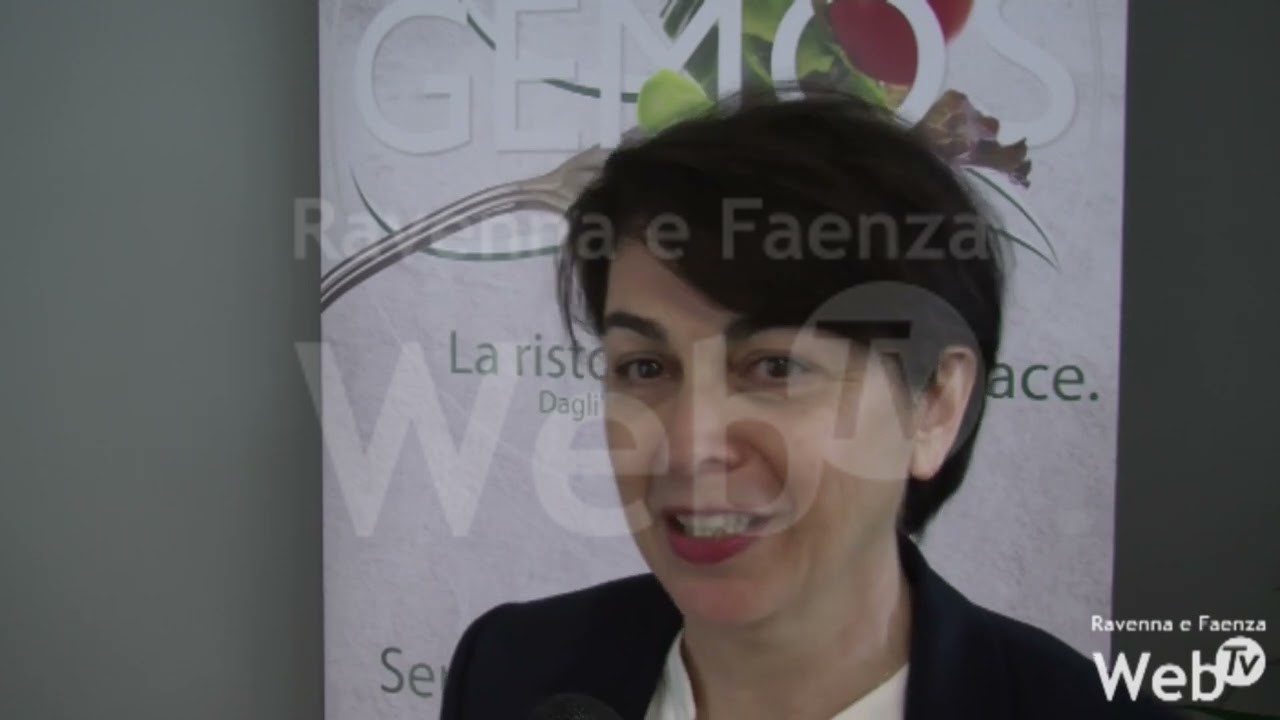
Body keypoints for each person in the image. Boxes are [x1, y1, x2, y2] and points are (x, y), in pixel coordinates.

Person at [440, 91, 1178, 720]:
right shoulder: (513, 670)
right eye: (646, 367)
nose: (689, 445)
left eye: (775, 367)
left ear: (935, 405)